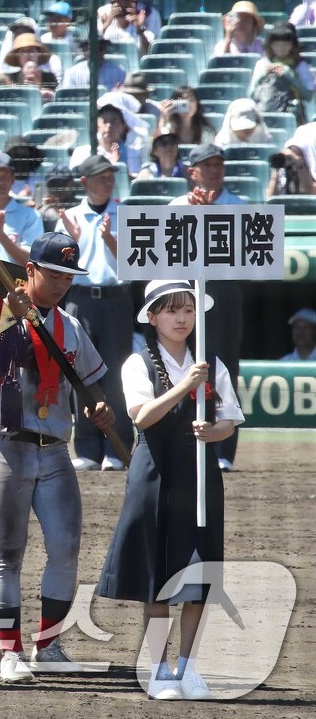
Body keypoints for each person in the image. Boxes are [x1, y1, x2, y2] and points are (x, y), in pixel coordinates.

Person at [97, 280, 243, 701]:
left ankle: (190, 667)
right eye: (171, 310)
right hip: (155, 472)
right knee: (157, 574)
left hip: (199, 473)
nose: (181, 319)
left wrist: (210, 430)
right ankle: (159, 668)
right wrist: (184, 387)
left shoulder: (212, 362)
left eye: (188, 310)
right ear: (153, 316)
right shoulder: (138, 363)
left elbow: (229, 422)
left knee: (199, 573)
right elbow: (141, 417)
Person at [0, 232, 115, 684]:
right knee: (7, 553)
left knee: (66, 548)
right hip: (7, 445)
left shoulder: (71, 327)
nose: (61, 284)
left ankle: (49, 643)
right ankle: (9, 651)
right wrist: (10, 322)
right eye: (54, 274)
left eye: (68, 277)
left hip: (56, 448)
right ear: (30, 269)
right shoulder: (3, 310)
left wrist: (99, 407)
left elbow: (88, 382)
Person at [168, 144, 246, 473]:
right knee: (182, 363)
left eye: (219, 164)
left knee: (224, 363)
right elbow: (170, 255)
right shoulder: (174, 206)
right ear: (192, 172)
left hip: (224, 290)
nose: (215, 170)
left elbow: (245, 256)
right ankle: (182, 439)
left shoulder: (239, 206)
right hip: (185, 293)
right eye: (207, 165)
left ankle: (224, 447)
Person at [56, 155, 133, 473]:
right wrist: (72, 241)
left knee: (117, 374)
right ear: (85, 182)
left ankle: (118, 447)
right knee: (81, 375)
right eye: (100, 177)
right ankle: (87, 447)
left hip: (116, 298)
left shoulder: (126, 212)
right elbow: (59, 267)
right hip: (81, 298)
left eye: (110, 176)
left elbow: (136, 263)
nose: (108, 181)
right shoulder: (70, 216)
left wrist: (111, 242)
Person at [68, 98, 148, 178]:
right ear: (97, 125)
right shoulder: (82, 152)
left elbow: (138, 181)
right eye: (105, 121)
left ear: (123, 127)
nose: (109, 126)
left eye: (114, 121)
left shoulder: (134, 153)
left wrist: (120, 170)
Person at [250, 22, 313, 124]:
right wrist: (262, 75)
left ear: (292, 45)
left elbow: (308, 96)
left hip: (291, 115)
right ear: (270, 45)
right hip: (264, 114)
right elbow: (251, 94)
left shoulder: (301, 66)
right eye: (277, 44)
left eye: (285, 44)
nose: (281, 48)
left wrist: (290, 75)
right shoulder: (262, 64)